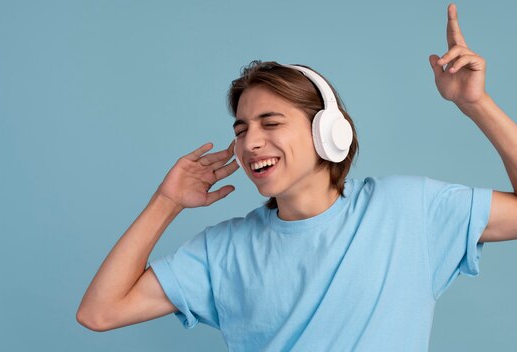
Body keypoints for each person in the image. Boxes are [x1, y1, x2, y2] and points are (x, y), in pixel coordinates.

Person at [77, 4, 517, 351]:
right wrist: (165, 201)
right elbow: (100, 312)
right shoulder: (224, 250)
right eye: (241, 129)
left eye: (270, 123)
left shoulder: (408, 209)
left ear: (329, 133)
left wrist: (474, 104)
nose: (250, 143)